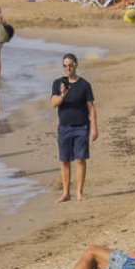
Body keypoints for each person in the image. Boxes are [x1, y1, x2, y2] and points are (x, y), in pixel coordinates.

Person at [50, 53, 97, 202]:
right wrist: (63, 94)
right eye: (65, 65)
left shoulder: (84, 85)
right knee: (64, 160)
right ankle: (65, 193)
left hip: (81, 127)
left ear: (76, 65)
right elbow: (54, 103)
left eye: (70, 65)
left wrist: (94, 128)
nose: (68, 68)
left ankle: (79, 192)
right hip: (64, 128)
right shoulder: (58, 83)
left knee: (80, 160)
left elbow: (91, 108)